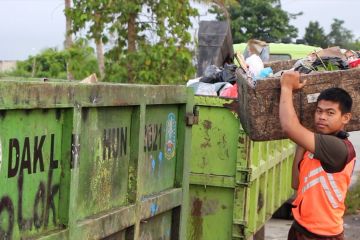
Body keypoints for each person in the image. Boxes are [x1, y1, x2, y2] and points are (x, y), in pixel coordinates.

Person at [279, 71, 356, 240]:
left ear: (345, 118)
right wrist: (303, 141)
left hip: (322, 235)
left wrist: (286, 86)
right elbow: (296, 183)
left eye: (330, 113)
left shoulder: (337, 147)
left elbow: (288, 127)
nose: (321, 117)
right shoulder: (316, 144)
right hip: (300, 227)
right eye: (319, 111)